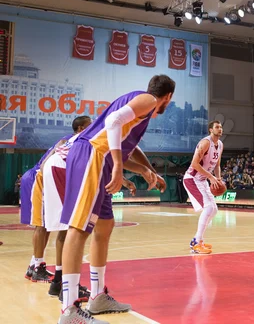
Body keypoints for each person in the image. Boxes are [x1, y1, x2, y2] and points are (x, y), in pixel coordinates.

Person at [58, 75, 174, 324]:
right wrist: (119, 166)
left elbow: (128, 146)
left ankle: (97, 296)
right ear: (168, 97)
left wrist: (147, 170)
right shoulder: (148, 100)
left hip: (101, 159)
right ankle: (69, 310)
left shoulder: (141, 110)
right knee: (79, 228)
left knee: (105, 225)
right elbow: (112, 122)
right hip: (93, 155)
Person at [21, 123, 86, 283]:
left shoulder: (76, 143)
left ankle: (33, 266)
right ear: (80, 128)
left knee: (48, 225)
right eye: (89, 126)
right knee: (42, 225)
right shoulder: (68, 140)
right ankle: (37, 268)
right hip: (40, 177)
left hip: (41, 178)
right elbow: (45, 164)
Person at [41, 116, 93, 300]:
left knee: (65, 228)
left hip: (54, 167)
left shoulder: (72, 139)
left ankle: (58, 281)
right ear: (80, 128)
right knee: (74, 227)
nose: (93, 125)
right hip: (61, 169)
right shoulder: (87, 138)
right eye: (89, 124)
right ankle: (67, 287)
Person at [183, 120, 224, 255]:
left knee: (214, 210)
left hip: (203, 180)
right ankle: (196, 242)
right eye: (217, 127)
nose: (220, 129)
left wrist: (217, 178)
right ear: (210, 130)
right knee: (208, 207)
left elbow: (217, 165)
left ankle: (198, 240)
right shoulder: (205, 143)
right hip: (192, 178)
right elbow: (194, 164)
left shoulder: (220, 145)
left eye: (221, 127)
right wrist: (211, 177)